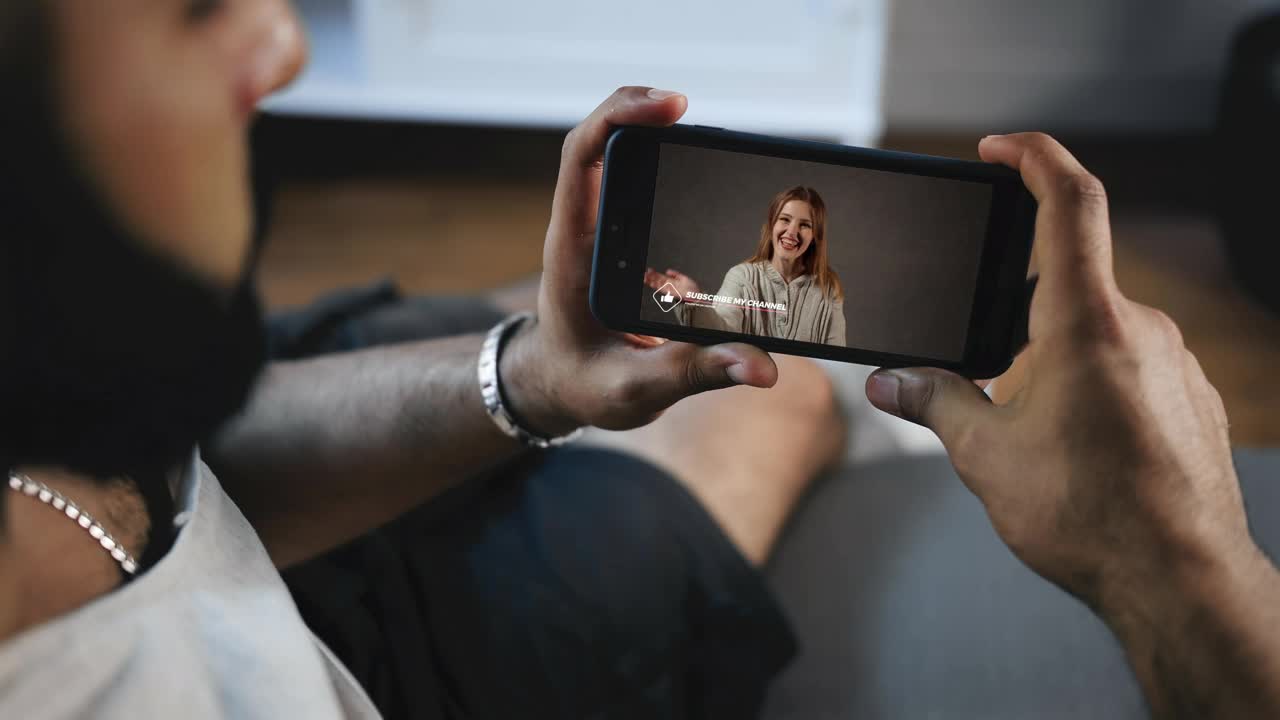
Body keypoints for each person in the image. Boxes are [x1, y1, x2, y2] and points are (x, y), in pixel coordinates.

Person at [2, 3, 1278, 720]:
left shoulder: (69, 355)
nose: (282, 43)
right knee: (787, 402)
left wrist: (528, 382)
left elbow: (173, 468)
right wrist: (1168, 570)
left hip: (222, 491)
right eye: (192, 9)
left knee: (559, 318)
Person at [645, 186, 847, 346]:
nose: (791, 232)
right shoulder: (742, 277)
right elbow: (722, 332)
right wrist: (694, 300)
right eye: (785, 220)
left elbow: (837, 354)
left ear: (814, 236)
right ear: (771, 226)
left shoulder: (828, 287)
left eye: (805, 225)